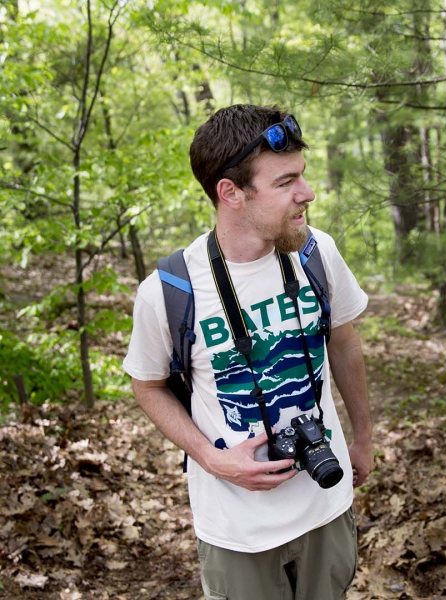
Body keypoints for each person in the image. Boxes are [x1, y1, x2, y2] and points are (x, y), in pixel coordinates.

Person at [123, 104, 373, 600]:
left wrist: (363, 437)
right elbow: (147, 385)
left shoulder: (315, 253)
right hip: (237, 528)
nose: (308, 193)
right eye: (285, 183)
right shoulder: (170, 290)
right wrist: (211, 459)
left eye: (302, 175)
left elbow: (343, 341)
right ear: (230, 193)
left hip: (326, 500)